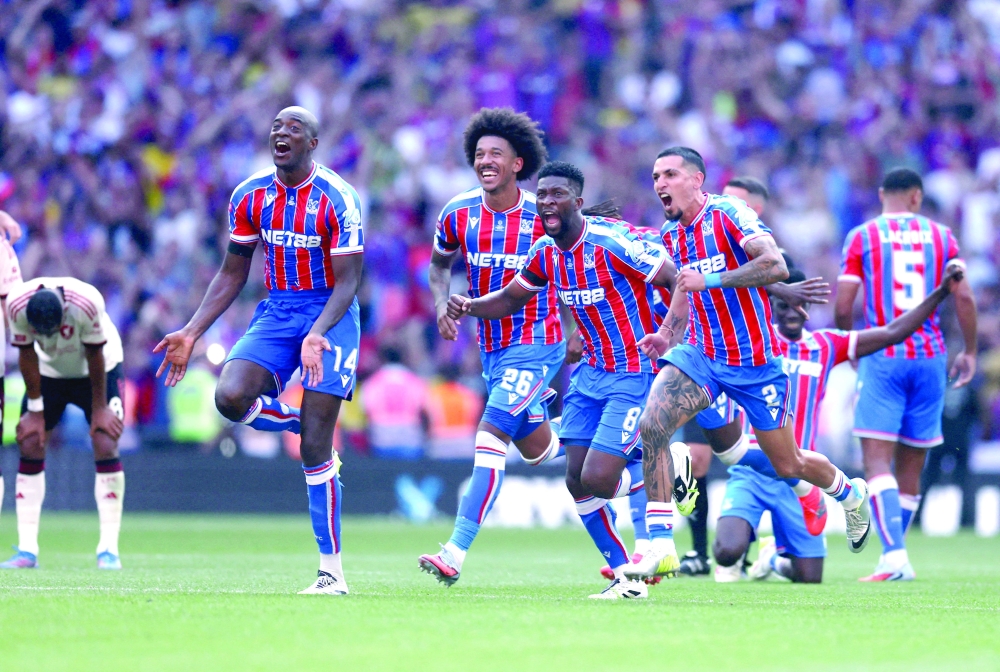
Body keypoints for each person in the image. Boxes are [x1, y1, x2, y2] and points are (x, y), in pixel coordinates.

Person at [627, 147, 872, 582]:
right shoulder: (672, 234)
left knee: (789, 464)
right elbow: (685, 287)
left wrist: (715, 279)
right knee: (653, 423)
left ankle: (850, 494)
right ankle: (661, 545)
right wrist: (666, 334)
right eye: (654, 177)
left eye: (669, 174)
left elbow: (775, 265)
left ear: (697, 179)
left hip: (755, 363)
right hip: (701, 353)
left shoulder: (728, 213)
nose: (659, 184)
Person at [448, 161, 689, 599]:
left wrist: (668, 335)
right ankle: (624, 578)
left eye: (557, 194)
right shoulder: (544, 251)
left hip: (633, 373)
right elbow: (508, 299)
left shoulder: (610, 243)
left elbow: (678, 281)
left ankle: (666, 472)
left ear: (577, 202)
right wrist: (468, 306)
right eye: (541, 195)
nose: (546, 202)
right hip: (589, 376)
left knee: (598, 478)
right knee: (575, 480)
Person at [154, 106, 364, 595]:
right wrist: (191, 332)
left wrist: (318, 333)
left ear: (313, 143)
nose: (281, 134)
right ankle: (298, 417)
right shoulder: (250, 196)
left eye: (293, 129)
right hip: (279, 308)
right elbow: (232, 272)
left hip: (330, 310)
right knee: (229, 398)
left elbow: (350, 281)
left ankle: (331, 570)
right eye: (275, 128)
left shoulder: (339, 198)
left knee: (315, 447)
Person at [715, 263, 966, 583]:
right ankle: (739, 552)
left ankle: (773, 560)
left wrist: (942, 292)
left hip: (802, 476)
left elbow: (893, 333)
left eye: (799, 306)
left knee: (809, 578)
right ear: (771, 305)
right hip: (752, 471)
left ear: (807, 305)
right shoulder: (752, 343)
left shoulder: (824, 345)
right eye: (784, 306)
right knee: (726, 551)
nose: (792, 313)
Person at [419, 108, 567, 586]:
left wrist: (579, 328)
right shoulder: (457, 212)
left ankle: (455, 551)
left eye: (495, 154)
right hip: (493, 351)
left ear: (517, 164)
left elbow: (580, 266)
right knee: (540, 451)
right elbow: (439, 265)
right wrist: (442, 303)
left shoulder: (543, 216)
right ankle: (643, 469)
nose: (485, 161)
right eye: (479, 154)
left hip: (537, 342)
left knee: (489, 435)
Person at [835, 167, 978, 582]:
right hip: (931, 358)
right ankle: (896, 553)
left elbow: (844, 305)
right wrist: (968, 350)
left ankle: (895, 556)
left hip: (884, 355)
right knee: (912, 462)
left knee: (876, 458)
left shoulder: (863, 236)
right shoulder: (942, 236)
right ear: (917, 197)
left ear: (884, 194)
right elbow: (964, 296)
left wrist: (851, 345)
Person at [1, 278, 125, 570]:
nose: (50, 340)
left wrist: (99, 409)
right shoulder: (17, 305)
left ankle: (109, 548)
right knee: (30, 442)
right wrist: (34, 409)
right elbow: (27, 352)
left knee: (105, 440)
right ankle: (27, 549)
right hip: (47, 372)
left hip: (99, 368)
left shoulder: (87, 301)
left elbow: (94, 353)